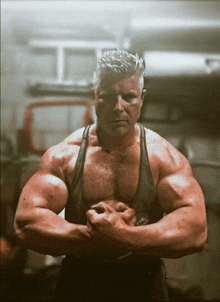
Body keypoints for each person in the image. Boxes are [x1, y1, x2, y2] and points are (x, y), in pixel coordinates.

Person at [14, 50, 207, 301]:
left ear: (142, 98)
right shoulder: (65, 157)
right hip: (80, 280)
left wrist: (125, 237)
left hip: (143, 282)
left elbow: (196, 231)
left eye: (129, 97)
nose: (119, 108)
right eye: (108, 97)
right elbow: (26, 224)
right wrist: (91, 235)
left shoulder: (164, 158)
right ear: (96, 96)